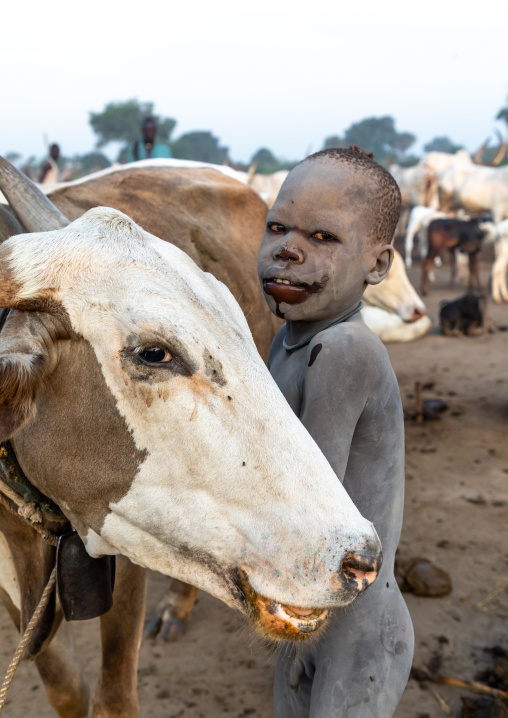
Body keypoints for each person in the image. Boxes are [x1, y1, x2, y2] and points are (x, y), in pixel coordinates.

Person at [257, 146, 414, 718]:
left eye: (323, 237)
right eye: (278, 227)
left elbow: (308, 505)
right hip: (316, 608)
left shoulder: (343, 349)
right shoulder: (289, 340)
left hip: (358, 630)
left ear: (377, 265)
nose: (288, 249)